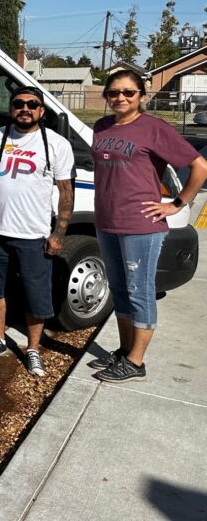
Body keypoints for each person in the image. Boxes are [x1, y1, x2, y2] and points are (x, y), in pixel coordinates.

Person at [88, 71, 207, 383]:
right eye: (114, 93)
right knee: (119, 290)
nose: (121, 98)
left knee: (140, 290)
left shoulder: (153, 128)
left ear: (141, 95)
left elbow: (200, 166)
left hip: (141, 225)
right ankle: (125, 351)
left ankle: (136, 362)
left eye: (128, 92)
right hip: (107, 221)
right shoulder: (101, 127)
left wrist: (177, 204)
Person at [0, 86, 75, 377]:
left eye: (32, 104)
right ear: (11, 108)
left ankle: (32, 349)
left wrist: (59, 233)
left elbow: (66, 192)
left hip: (34, 235)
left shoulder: (56, 144)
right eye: (19, 103)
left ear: (41, 111)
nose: (25, 108)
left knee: (36, 295)